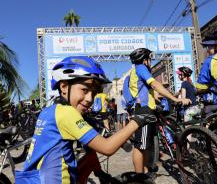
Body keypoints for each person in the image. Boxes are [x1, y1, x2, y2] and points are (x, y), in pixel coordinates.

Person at [15, 56, 158, 184]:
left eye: (94, 93)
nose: (90, 98)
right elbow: (107, 148)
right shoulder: (67, 113)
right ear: (64, 87)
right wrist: (138, 119)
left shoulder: (51, 110)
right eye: (84, 90)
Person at [128, 48, 191, 174]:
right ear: (145, 60)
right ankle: (140, 177)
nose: (150, 62)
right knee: (140, 146)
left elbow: (149, 93)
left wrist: (162, 97)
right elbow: (155, 84)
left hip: (147, 110)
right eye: (149, 60)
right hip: (143, 112)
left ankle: (145, 170)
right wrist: (175, 99)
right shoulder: (141, 68)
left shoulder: (137, 70)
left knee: (145, 145)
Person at [196, 31, 217, 121]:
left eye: (209, 47)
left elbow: (201, 87)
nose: (208, 50)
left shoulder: (210, 60)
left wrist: (197, 91)